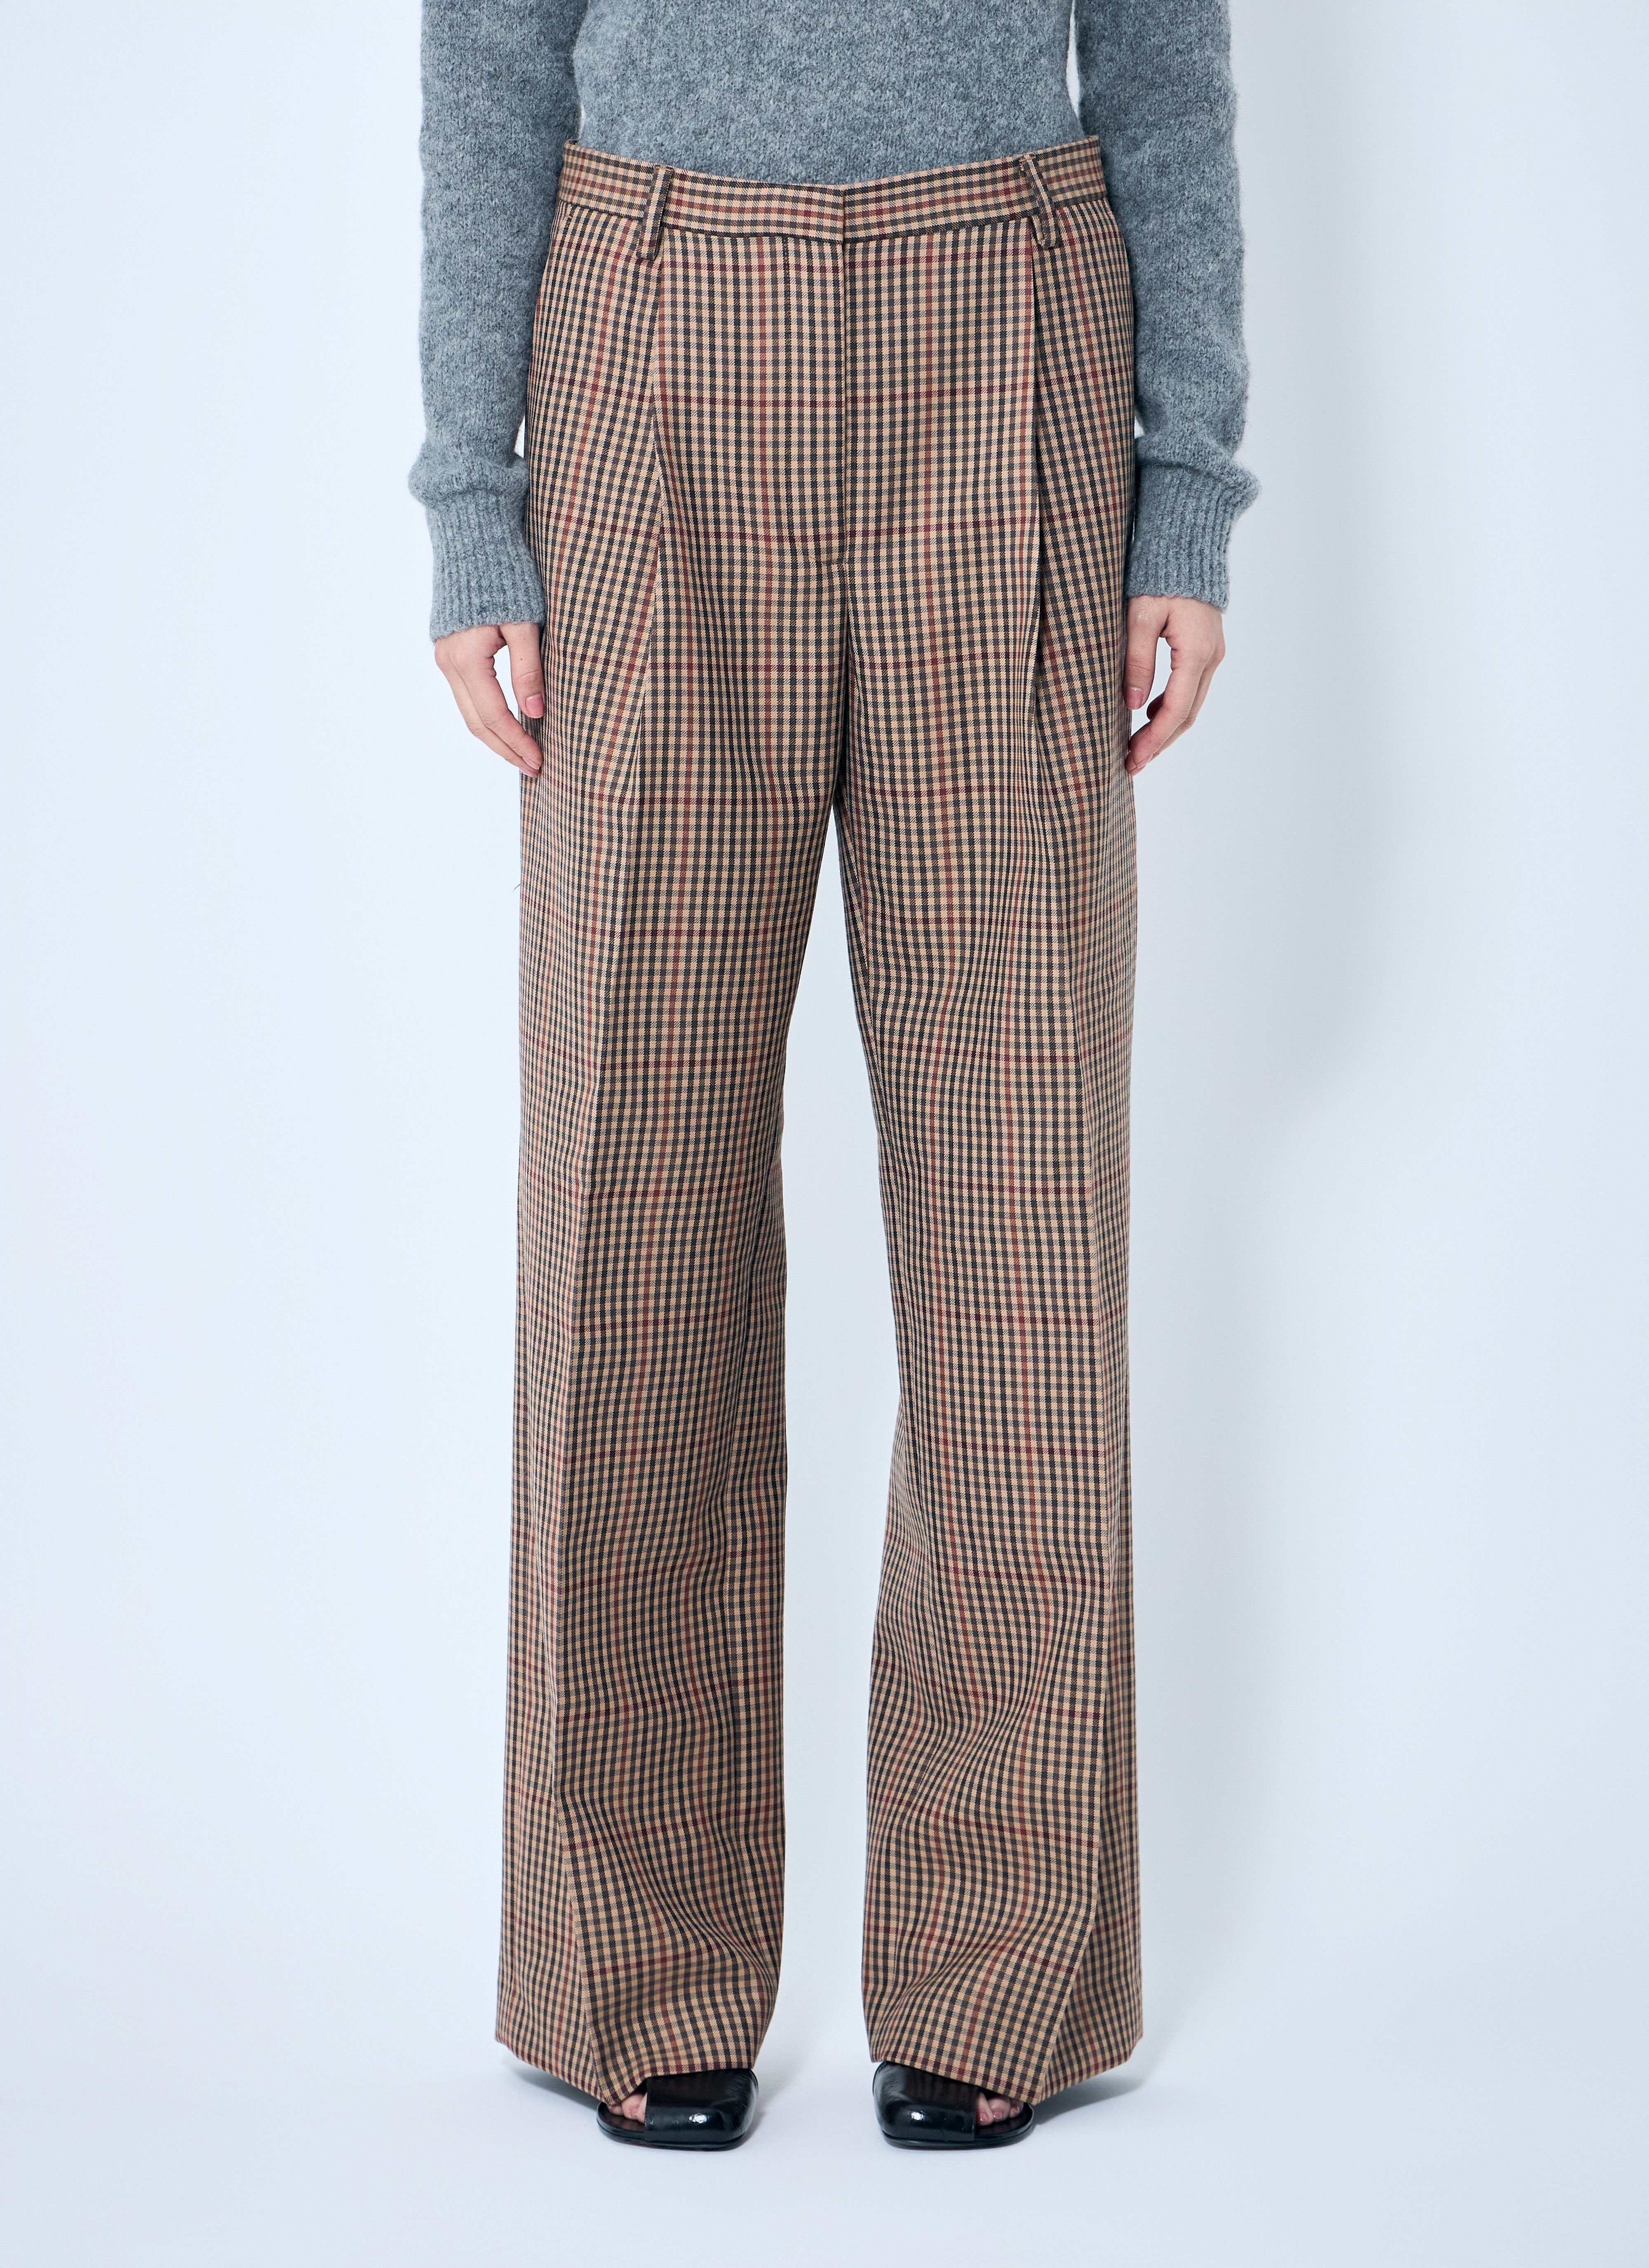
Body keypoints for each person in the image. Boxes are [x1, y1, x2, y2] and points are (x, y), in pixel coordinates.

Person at [410, 0, 1255, 2153]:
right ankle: (632, 1960)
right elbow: (491, 48)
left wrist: (1185, 489)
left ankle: (1001, 1964)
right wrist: (476, 503)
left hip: (1011, 338)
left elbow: (1162, 49)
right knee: (635, 1188)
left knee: (1022, 1205)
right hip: (654, 338)